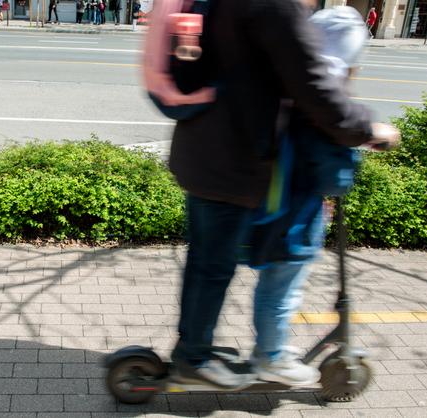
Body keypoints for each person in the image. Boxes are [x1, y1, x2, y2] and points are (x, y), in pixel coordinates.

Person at [167, 0, 401, 389]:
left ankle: (195, 349)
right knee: (214, 269)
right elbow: (314, 84)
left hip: (202, 151)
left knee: (206, 265)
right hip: (233, 160)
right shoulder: (278, 5)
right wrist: (366, 130)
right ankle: (198, 357)